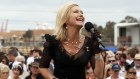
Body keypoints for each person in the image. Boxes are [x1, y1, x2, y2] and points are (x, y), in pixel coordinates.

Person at [39, 2, 104, 79]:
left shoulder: (89, 43)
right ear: (65, 19)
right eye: (76, 12)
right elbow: (43, 67)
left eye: (82, 12)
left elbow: (99, 75)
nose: (81, 14)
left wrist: (98, 52)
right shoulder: (53, 41)